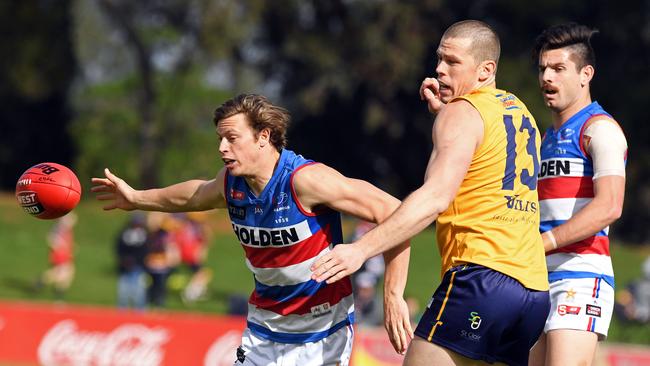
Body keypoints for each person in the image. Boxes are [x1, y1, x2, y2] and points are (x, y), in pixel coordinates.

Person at [91, 93, 412, 365]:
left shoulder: (305, 181)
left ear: (264, 136)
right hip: (264, 327)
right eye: (220, 138)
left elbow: (395, 212)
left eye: (231, 138)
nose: (222, 148)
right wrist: (135, 198)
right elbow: (193, 194)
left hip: (322, 331)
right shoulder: (231, 183)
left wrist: (393, 294)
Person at [311, 20, 550, 366]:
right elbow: (487, 167)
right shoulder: (520, 112)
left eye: (452, 62)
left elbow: (434, 198)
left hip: (481, 278)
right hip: (532, 294)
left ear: (486, 70)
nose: (439, 68)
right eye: (439, 59)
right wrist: (445, 115)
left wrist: (360, 250)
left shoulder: (462, 114)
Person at [528, 23, 628, 366]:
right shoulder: (547, 137)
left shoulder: (600, 130)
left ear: (586, 74)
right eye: (543, 69)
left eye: (558, 69)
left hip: (581, 276)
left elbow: (610, 206)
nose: (547, 78)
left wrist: (545, 242)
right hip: (536, 278)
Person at [37, 212, 77, 300]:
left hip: (63, 252)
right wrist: (60, 248)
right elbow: (52, 239)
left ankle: (56, 291)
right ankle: (44, 283)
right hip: (61, 253)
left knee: (65, 273)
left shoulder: (62, 228)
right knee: (62, 272)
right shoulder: (60, 227)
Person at [115, 212, 149, 310]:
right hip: (125, 268)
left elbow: (146, 250)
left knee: (139, 294)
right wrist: (123, 260)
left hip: (139, 267)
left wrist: (139, 261)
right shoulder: (125, 233)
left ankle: (140, 315)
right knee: (123, 294)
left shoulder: (145, 234)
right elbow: (119, 248)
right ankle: (121, 315)